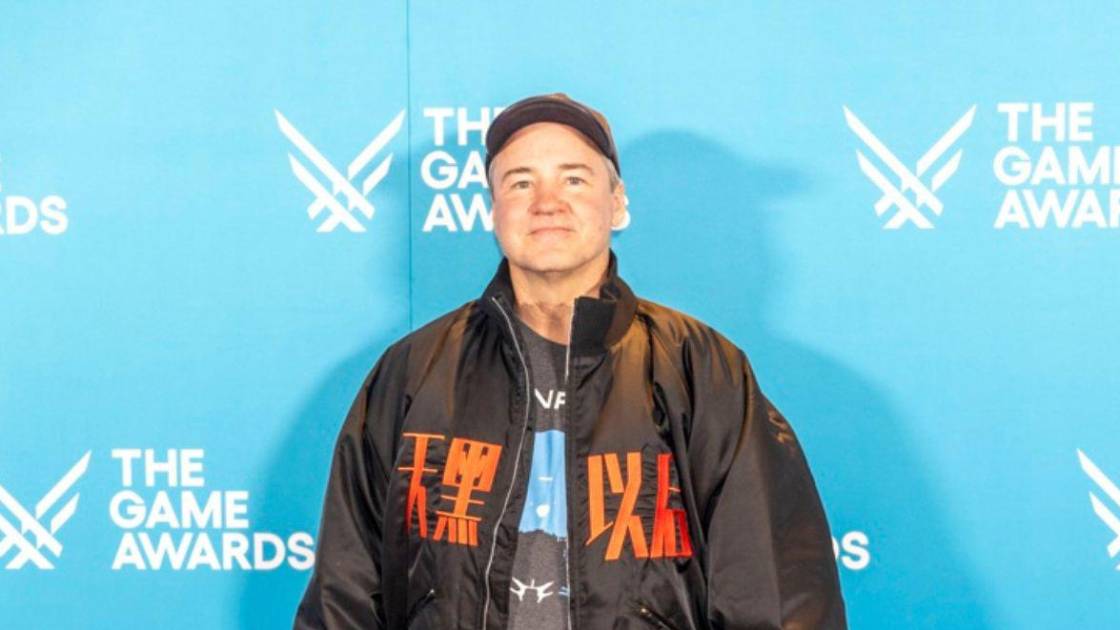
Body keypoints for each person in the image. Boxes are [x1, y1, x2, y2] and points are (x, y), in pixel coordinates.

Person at [294, 93, 846, 629]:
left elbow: (772, 594)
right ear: (493, 208)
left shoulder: (700, 370)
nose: (547, 202)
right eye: (521, 182)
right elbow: (347, 592)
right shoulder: (414, 372)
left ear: (618, 201)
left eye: (574, 179)